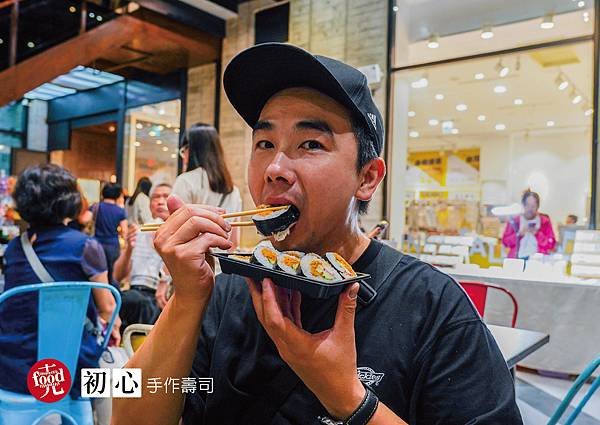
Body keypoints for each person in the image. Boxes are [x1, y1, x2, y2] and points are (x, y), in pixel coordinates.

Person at [114, 43, 521, 424]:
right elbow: (126, 410)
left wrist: (349, 399)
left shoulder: (434, 309)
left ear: (367, 178)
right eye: (264, 142)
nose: (274, 167)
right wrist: (187, 298)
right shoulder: (226, 290)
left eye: (310, 144)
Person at [0, 164, 120, 399]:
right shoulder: (85, 246)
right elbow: (108, 308)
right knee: (133, 380)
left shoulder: (14, 248)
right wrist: (111, 329)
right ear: (70, 200)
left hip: (10, 370)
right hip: (70, 373)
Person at [173, 123, 242, 248]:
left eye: (183, 151)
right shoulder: (233, 191)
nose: (183, 157)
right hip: (221, 265)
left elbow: (175, 234)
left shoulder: (185, 181)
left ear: (191, 149)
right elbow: (234, 243)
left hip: (191, 263)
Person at [113, 183, 172, 331]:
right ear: (150, 204)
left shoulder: (179, 234)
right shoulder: (139, 231)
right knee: (114, 300)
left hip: (160, 298)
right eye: (155, 197)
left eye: (166, 196)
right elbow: (118, 276)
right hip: (135, 294)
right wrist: (129, 249)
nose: (160, 201)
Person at [92, 183, 128, 288]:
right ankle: (113, 298)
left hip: (97, 244)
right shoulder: (120, 211)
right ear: (117, 195)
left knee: (97, 273)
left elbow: (84, 219)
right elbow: (124, 231)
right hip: (113, 246)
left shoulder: (96, 206)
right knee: (112, 275)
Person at [502, 189, 556, 259]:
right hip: (517, 259)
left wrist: (537, 234)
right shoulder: (515, 221)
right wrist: (519, 235)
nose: (530, 209)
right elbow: (505, 242)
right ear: (523, 205)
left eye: (533, 206)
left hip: (538, 260)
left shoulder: (545, 221)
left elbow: (551, 244)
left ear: (537, 207)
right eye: (528, 205)